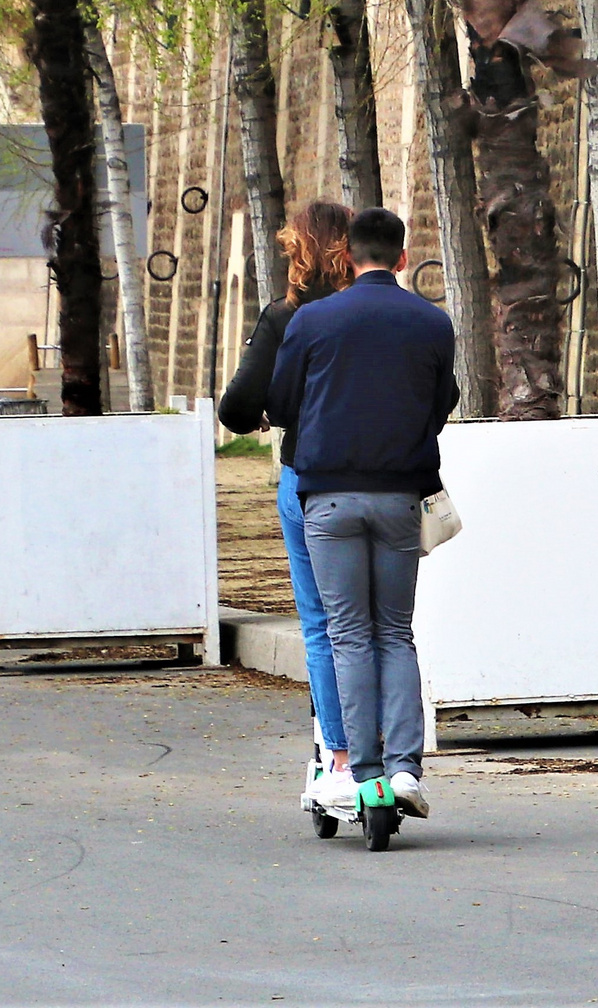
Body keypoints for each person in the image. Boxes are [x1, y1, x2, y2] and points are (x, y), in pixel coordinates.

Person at [267, 207, 458, 820]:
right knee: (395, 633)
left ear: (347, 258)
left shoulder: (315, 319)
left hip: (327, 496)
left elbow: (280, 399)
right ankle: (404, 770)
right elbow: (442, 399)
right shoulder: (432, 322)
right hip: (400, 494)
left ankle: (359, 772)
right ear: (403, 258)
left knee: (347, 632)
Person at [218, 200, 357, 809]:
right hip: (387, 482)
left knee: (323, 626)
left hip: (309, 479)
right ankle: (397, 753)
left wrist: (278, 410)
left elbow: (237, 409)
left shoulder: (285, 317)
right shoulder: (382, 313)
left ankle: (339, 754)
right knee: (382, 627)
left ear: (297, 250)